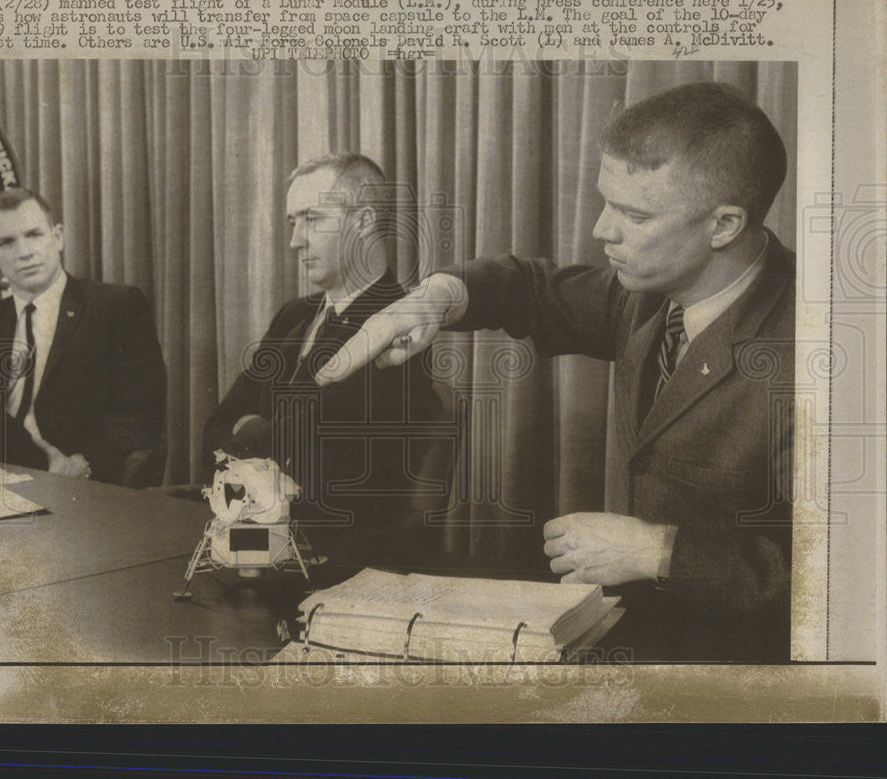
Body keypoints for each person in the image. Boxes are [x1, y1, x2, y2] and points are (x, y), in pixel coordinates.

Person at [315, 83, 794, 661]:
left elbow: (841, 576)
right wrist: (435, 298)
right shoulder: (650, 293)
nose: (601, 229)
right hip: (640, 639)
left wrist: (659, 551)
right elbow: (530, 287)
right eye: (605, 201)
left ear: (723, 225)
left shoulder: (817, 351)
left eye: (633, 214)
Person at [202, 153, 444, 571]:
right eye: (293, 222)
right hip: (260, 531)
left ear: (364, 221)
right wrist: (260, 439)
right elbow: (218, 427)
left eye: (312, 219)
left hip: (333, 552)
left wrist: (255, 431)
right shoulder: (295, 315)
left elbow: (322, 459)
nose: (295, 240)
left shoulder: (401, 323)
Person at [0, 187, 167, 486]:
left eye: (34, 234)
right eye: (7, 242)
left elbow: (141, 414)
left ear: (59, 237)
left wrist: (82, 464)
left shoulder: (115, 306)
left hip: (77, 483)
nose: (25, 253)